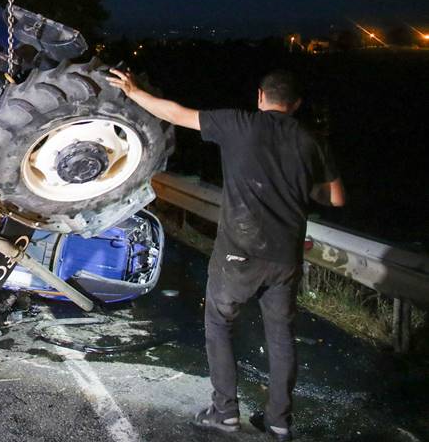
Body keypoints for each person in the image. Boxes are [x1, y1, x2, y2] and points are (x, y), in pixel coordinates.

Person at [106, 68, 345, 441]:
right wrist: (299, 185)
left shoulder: (238, 124)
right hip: (285, 257)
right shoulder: (312, 140)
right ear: (295, 105)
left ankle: (225, 412)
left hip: (240, 251)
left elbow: (175, 113)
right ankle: (280, 422)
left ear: (261, 97)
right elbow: (336, 198)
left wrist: (134, 92)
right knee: (281, 335)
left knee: (219, 322)